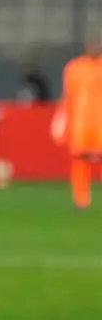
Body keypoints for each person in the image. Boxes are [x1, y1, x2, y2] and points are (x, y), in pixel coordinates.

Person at [54, 38, 102, 209]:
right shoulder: (74, 68)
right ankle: (81, 200)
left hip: (99, 123)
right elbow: (67, 97)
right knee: (80, 162)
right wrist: (61, 121)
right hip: (81, 124)